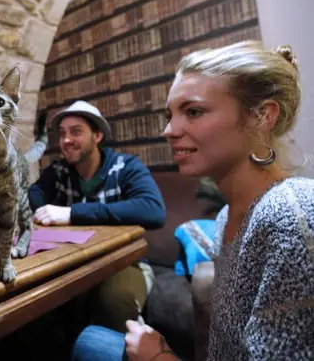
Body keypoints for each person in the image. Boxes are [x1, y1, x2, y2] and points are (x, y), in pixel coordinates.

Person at [72, 41, 314, 361]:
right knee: (89, 339)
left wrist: (158, 358)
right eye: (170, 115)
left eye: (194, 111)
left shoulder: (291, 215)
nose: (169, 130)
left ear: (262, 117)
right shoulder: (227, 217)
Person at [28, 100, 166, 333]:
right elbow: (33, 196)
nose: (66, 140)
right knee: (38, 310)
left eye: (76, 132)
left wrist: (73, 213)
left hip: (124, 262)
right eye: (62, 134)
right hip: (72, 264)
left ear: (97, 135)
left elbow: (153, 210)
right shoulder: (58, 172)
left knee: (114, 301)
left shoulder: (125, 166)